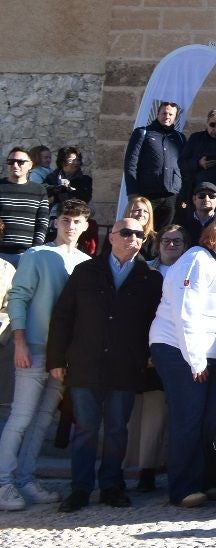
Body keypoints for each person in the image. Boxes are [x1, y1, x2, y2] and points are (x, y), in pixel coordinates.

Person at [46, 217, 163, 512]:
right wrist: (57, 358)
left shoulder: (150, 279)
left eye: (139, 234)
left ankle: (112, 485)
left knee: (116, 430)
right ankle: (80, 488)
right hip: (86, 362)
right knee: (85, 429)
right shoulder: (85, 271)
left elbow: (155, 322)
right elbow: (63, 316)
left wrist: (151, 354)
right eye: (126, 232)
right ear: (110, 237)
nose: (132, 238)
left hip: (125, 366)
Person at [148, 210, 216, 508]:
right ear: (213, 230)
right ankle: (183, 486)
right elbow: (186, 311)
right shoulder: (196, 258)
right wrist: (196, 360)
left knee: (215, 422)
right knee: (188, 419)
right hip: (181, 349)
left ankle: (209, 478)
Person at [0, 199, 91, 511]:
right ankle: (3, 482)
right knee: (21, 417)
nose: (70, 226)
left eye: (77, 221)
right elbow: (19, 298)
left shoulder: (85, 261)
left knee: (41, 421)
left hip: (64, 355)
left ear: (85, 225)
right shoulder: (36, 254)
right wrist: (21, 342)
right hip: (35, 346)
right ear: (56, 222)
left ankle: (25, 478)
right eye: (66, 219)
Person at [129, 223, 188, 493]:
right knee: (147, 414)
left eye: (177, 241)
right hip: (147, 351)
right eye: (167, 240)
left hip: (179, 351)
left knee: (165, 413)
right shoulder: (144, 272)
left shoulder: (191, 272)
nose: (171, 245)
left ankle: (161, 466)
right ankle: (145, 470)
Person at [123, 102, 185, 229]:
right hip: (147, 193)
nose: (167, 116)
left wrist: (184, 193)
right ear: (158, 114)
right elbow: (131, 164)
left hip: (171, 195)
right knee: (144, 229)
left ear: (175, 117)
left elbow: (185, 166)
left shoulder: (180, 138)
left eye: (170, 114)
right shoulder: (142, 132)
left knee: (166, 232)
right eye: (164, 113)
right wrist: (132, 192)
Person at [179, 109, 216, 209]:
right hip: (198, 191)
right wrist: (198, 163)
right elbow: (182, 163)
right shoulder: (196, 138)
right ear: (207, 123)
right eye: (212, 125)